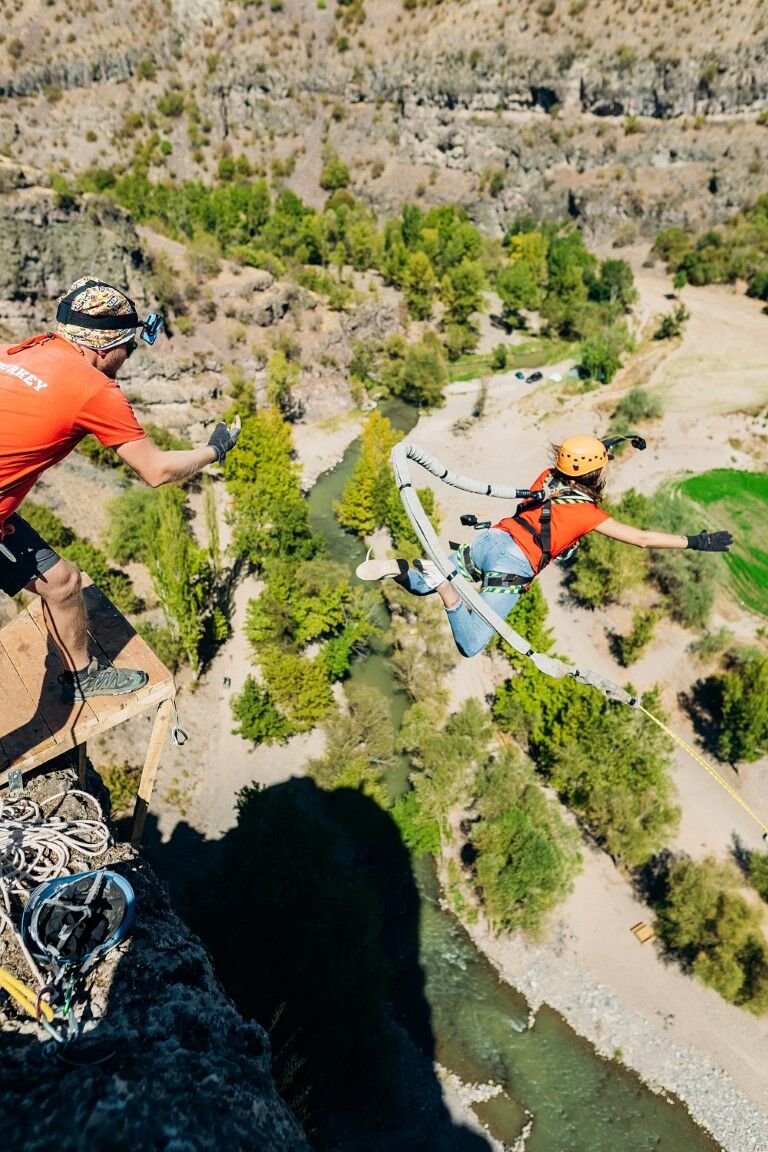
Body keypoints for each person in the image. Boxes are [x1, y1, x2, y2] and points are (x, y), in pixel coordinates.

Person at [0, 276, 242, 701]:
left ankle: (82, 678)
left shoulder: (19, 351)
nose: (128, 357)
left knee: (62, 582)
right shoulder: (94, 388)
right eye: (129, 347)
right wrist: (215, 449)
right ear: (104, 346)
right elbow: (157, 470)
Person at [356, 434, 733, 658]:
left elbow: (579, 459)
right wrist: (696, 541)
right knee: (471, 644)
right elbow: (642, 539)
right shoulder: (588, 514)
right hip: (512, 565)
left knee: (424, 577)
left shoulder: (547, 478)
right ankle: (446, 589)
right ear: (596, 471)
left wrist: (612, 442)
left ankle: (400, 568)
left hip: (492, 540)